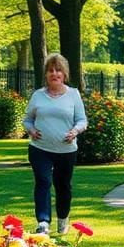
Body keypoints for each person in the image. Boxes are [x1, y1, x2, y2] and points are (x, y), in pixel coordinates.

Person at [22, 53, 88, 235]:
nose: (54, 74)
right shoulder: (38, 96)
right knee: (43, 182)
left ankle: (63, 218)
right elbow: (27, 120)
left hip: (66, 150)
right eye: (51, 70)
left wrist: (75, 131)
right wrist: (31, 130)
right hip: (40, 148)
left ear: (64, 74)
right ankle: (43, 222)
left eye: (58, 70)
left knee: (62, 185)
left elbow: (82, 120)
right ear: (46, 75)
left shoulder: (73, 95)